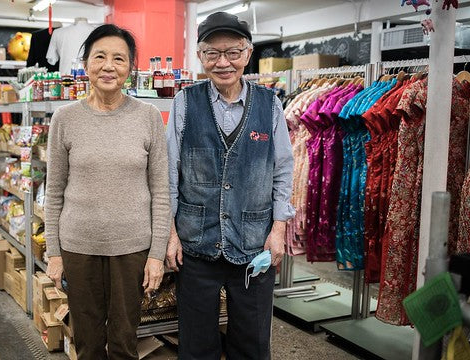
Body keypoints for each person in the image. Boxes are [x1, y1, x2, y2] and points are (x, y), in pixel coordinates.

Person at [165, 12, 295, 359]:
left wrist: (279, 228)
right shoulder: (184, 103)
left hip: (254, 243)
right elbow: (168, 175)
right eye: (212, 53)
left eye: (233, 52)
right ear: (200, 57)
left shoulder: (270, 105)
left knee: (252, 343)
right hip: (196, 243)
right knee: (196, 345)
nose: (223, 62)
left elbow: (283, 169)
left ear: (247, 54)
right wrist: (171, 234)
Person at [44, 24, 171, 359]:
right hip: (78, 247)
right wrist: (54, 254)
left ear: (130, 68)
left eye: (119, 58)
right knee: (86, 341)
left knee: (125, 339)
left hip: (132, 249)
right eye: (99, 56)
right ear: (86, 64)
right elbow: (54, 191)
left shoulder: (148, 117)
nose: (108, 66)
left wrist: (156, 255)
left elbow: (160, 191)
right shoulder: (65, 118)